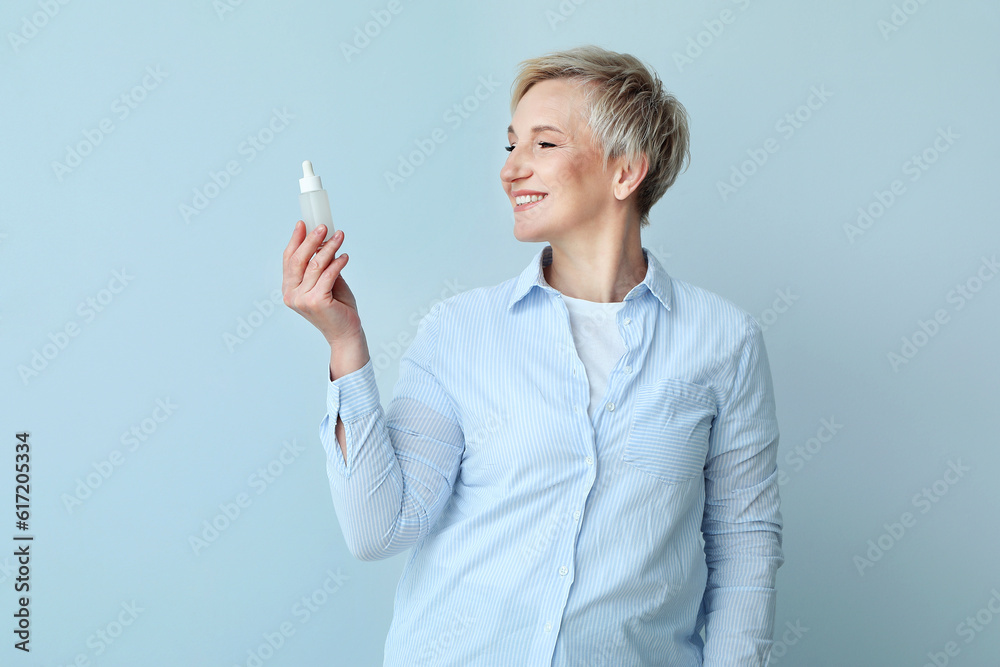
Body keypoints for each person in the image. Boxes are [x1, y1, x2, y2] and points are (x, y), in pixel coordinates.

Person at [282, 44, 783, 667]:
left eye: (543, 145)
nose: (511, 169)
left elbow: (743, 547)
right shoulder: (459, 331)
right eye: (510, 144)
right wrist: (344, 344)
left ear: (625, 171)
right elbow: (380, 528)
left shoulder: (722, 341)